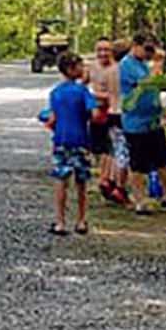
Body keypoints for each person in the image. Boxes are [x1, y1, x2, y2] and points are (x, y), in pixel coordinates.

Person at [39, 52, 98, 236]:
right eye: (81, 66)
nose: (84, 69)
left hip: (61, 141)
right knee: (82, 182)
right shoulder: (82, 92)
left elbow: (51, 118)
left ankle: (60, 221)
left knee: (61, 181)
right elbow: (94, 114)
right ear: (72, 69)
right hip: (81, 141)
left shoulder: (55, 92)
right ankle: (81, 220)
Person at [118, 34, 166, 214]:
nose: (150, 53)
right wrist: (158, 65)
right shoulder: (126, 65)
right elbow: (148, 83)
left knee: (162, 159)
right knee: (138, 163)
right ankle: (140, 199)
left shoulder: (144, 64)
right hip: (135, 122)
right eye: (147, 49)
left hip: (153, 120)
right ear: (135, 45)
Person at [87, 38, 126, 204]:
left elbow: (113, 95)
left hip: (110, 112)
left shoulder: (115, 69)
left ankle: (109, 181)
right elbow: (81, 85)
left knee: (111, 148)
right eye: (99, 50)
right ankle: (107, 181)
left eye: (106, 50)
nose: (103, 53)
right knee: (103, 149)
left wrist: (96, 95)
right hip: (100, 112)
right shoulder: (92, 67)